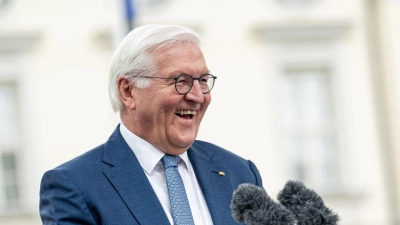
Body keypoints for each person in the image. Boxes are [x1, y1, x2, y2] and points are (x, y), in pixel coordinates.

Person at [39, 24, 263, 225]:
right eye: (180, 81)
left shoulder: (240, 173)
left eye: (203, 80)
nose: (198, 96)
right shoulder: (74, 186)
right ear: (128, 91)